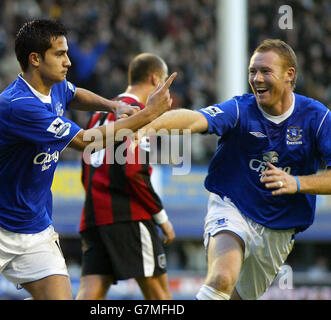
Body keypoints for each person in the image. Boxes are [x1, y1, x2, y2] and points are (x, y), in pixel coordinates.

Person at [0, 19, 176, 300]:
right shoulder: (19, 105)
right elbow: (85, 142)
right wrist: (148, 114)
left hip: (34, 229)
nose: (68, 61)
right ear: (35, 59)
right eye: (60, 54)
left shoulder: (54, 85)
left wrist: (112, 105)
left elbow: (74, 93)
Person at [135, 39, 331, 300]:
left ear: (289, 75)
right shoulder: (240, 109)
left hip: (280, 228)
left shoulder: (316, 118)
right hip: (232, 206)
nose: (257, 78)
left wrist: (296, 183)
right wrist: (149, 125)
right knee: (221, 278)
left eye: (265, 71)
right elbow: (195, 119)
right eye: (252, 71)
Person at [76, 53, 176, 300]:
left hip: (93, 217)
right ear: (155, 79)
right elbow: (133, 171)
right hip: (128, 216)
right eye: (163, 83)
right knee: (159, 295)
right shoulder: (139, 112)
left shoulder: (100, 111)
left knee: (91, 293)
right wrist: (161, 216)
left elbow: (85, 168)